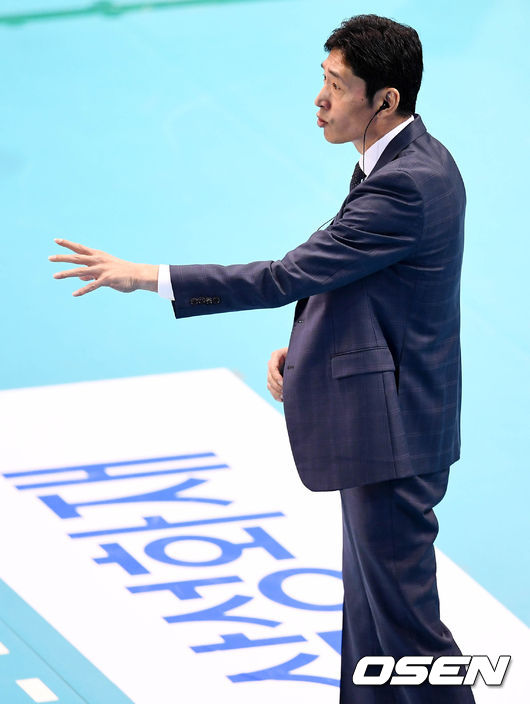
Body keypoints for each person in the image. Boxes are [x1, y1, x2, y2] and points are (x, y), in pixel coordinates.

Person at [50, 14, 476, 703]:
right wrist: (310, 345)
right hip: (390, 422)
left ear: (386, 99)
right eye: (323, 79)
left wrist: (149, 277)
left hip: (394, 437)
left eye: (337, 86)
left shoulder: (406, 185)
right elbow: (367, 282)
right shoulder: (405, 159)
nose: (320, 99)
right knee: (370, 624)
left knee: (406, 634)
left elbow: (287, 275)